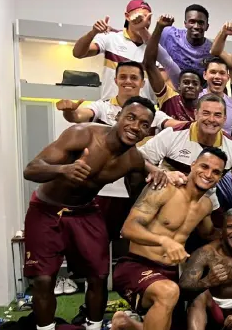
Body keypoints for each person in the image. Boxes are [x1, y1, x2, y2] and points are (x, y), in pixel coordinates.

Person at [22, 97, 158, 330]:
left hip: (86, 211)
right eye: (131, 118)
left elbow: (138, 197)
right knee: (44, 280)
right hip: (47, 210)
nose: (135, 126)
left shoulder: (133, 159)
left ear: (148, 132)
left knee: (99, 276)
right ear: (119, 116)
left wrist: (159, 178)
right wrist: (63, 170)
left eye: (144, 124)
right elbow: (31, 169)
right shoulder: (82, 134)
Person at [114, 147, 227, 330]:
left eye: (216, 172)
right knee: (169, 291)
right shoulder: (163, 188)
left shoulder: (206, 205)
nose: (208, 174)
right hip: (135, 264)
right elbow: (128, 228)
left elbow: (210, 233)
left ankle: (126, 324)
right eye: (204, 167)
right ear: (193, 164)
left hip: (165, 273)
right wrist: (163, 242)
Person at [55, 61, 180, 245]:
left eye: (134, 77)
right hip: (105, 190)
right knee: (98, 244)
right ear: (115, 80)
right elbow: (79, 116)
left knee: (134, 241)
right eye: (123, 77)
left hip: (140, 190)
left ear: (142, 83)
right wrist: (70, 112)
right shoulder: (102, 107)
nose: (128, 81)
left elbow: (178, 127)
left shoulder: (152, 113)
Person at [139, 93, 232, 210]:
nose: (211, 119)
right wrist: (164, 174)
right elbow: (139, 160)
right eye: (206, 113)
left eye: (217, 115)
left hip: (203, 205)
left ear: (224, 118)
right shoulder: (172, 134)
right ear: (196, 114)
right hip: (165, 199)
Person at [72, 0, 174, 101]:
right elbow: (78, 53)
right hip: (110, 110)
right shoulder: (112, 38)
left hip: (143, 111)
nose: (144, 21)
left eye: (148, 18)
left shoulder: (155, 50)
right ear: (127, 16)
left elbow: (164, 88)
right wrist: (93, 33)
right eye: (139, 16)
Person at [143, 15, 203, 123]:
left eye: (195, 83)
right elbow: (149, 64)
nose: (190, 86)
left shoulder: (205, 110)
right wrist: (159, 28)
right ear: (178, 86)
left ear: (201, 89)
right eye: (186, 82)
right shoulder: (168, 98)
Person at [200, 56, 232, 135]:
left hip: (223, 146)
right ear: (205, 75)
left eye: (222, 73)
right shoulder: (194, 99)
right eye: (213, 72)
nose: (217, 76)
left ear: (228, 78)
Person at [158, 4, 212, 75]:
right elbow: (149, 46)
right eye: (192, 22)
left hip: (198, 85)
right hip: (169, 84)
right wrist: (159, 27)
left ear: (207, 26)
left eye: (201, 23)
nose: (196, 26)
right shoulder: (169, 34)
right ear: (185, 24)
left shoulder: (212, 50)